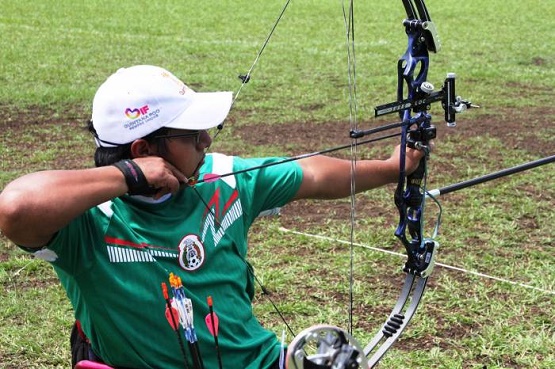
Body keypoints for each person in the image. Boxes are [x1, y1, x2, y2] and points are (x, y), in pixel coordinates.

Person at [0, 65, 426, 369]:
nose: (206, 139)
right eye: (190, 134)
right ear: (144, 153)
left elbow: (311, 173)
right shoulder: (90, 220)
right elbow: (15, 207)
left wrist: (393, 167)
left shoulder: (221, 177)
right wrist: (127, 178)